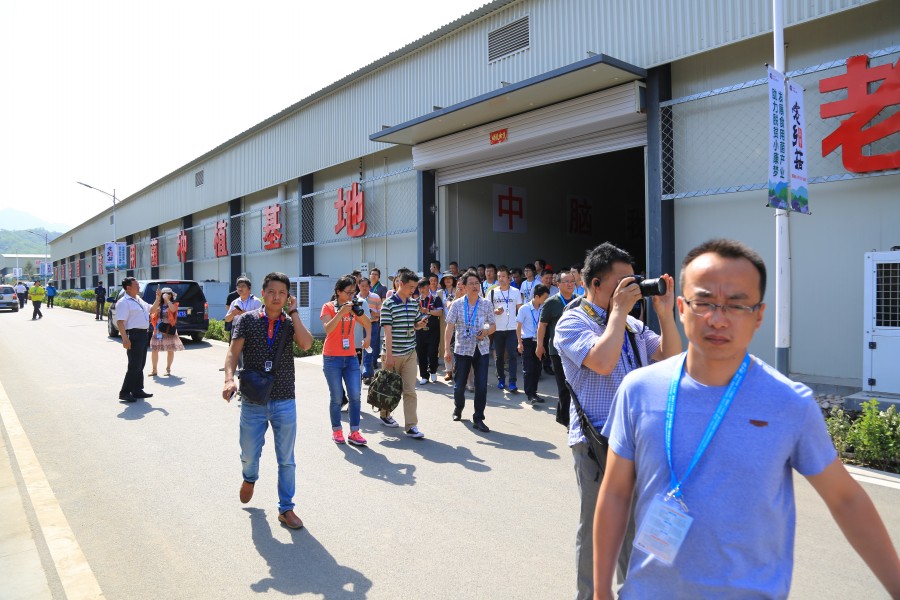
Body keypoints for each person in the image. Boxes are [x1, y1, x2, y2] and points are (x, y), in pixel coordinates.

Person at [593, 239, 900, 599]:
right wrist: (601, 591)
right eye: (704, 302)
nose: (718, 318)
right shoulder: (639, 390)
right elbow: (615, 492)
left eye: (737, 305)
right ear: (682, 307)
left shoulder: (789, 403)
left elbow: (846, 500)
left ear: (759, 315)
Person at [553, 242, 681, 600]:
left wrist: (665, 314)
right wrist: (619, 313)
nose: (633, 289)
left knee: (639, 529)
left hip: (638, 443)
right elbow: (603, 361)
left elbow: (672, 358)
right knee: (598, 530)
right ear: (596, 284)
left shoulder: (632, 324)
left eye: (634, 281)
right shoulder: (572, 322)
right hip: (597, 445)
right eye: (624, 283)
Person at [223, 272, 313, 530]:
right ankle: (249, 478)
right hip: (253, 399)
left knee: (286, 458)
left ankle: (286, 508)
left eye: (282, 293)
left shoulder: (289, 323)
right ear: (262, 294)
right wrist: (228, 379)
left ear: (288, 297)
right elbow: (232, 353)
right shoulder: (247, 320)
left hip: (284, 399)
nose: (276, 297)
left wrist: (294, 313)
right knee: (249, 454)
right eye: (272, 292)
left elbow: (306, 344)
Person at [321, 276, 371, 446]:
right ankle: (337, 430)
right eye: (348, 292)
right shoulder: (328, 307)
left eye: (353, 292)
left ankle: (355, 432)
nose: (351, 295)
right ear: (338, 292)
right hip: (331, 358)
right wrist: (341, 313)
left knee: (355, 396)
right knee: (336, 397)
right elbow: (328, 329)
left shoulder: (353, 307)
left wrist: (367, 336)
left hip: (350, 357)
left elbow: (367, 323)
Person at [444, 270, 496, 432]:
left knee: (481, 386)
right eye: (471, 284)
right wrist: (446, 349)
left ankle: (478, 418)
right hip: (462, 349)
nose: (475, 286)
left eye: (477, 283)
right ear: (464, 287)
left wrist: (485, 331)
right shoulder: (457, 304)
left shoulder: (486, 304)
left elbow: (492, 325)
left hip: (481, 349)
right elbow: (449, 327)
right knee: (459, 385)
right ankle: (458, 408)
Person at [379, 270, 428, 438]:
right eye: (410, 287)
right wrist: (389, 356)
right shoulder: (388, 304)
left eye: (415, 288)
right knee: (389, 390)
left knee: (410, 390)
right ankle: (385, 414)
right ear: (400, 284)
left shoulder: (414, 304)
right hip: (392, 353)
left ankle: (411, 425)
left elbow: (415, 325)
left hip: (410, 352)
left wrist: (420, 324)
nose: (413, 291)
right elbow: (387, 332)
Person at [536, 271, 578, 422]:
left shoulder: (579, 301)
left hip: (576, 349)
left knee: (573, 385)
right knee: (563, 386)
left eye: (572, 281)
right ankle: (567, 420)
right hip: (557, 350)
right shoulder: (551, 302)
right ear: (558, 284)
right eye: (566, 281)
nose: (570, 284)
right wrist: (539, 345)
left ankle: (562, 415)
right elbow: (542, 325)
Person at [115, 278, 159, 402]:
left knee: (141, 364)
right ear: (128, 288)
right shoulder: (124, 302)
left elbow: (152, 310)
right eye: (136, 285)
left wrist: (157, 298)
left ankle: (137, 390)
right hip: (134, 335)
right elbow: (120, 322)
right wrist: (125, 339)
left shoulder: (138, 299)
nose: (139, 287)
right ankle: (124, 392)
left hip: (143, 334)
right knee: (134, 365)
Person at [487, 265, 522, 392]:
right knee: (499, 356)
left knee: (512, 355)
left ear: (509, 278)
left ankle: (512, 382)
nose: (501, 279)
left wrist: (521, 327)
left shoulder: (516, 292)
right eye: (499, 276)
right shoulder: (492, 292)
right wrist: (495, 311)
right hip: (497, 329)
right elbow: (486, 310)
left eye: (503, 276)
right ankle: (501, 379)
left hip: (512, 328)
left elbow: (520, 310)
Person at [517, 283, 550, 404]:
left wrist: (542, 345)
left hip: (539, 341)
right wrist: (519, 343)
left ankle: (534, 393)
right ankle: (529, 394)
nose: (545, 300)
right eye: (544, 298)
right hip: (527, 341)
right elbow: (518, 327)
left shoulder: (544, 309)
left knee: (537, 368)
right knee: (528, 369)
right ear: (536, 296)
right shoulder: (524, 309)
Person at [148, 287, 185, 376]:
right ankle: (154, 370)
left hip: (169, 329)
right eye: (164, 293)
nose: (166, 295)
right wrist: (156, 308)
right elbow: (151, 311)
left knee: (170, 349)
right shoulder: (158, 304)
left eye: (168, 293)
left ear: (171, 295)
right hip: (159, 329)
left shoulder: (173, 304)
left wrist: (167, 300)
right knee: (154, 349)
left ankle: (168, 369)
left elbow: (173, 309)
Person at [415, 278, 443, 384]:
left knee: (432, 352)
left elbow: (440, 312)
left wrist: (427, 311)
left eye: (423, 287)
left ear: (428, 286)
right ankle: (424, 376)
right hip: (420, 330)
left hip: (433, 330)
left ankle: (433, 371)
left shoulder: (435, 298)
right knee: (421, 353)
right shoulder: (416, 301)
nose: (421, 290)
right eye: (419, 288)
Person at [358, 277, 382, 385]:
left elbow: (382, 312)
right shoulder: (355, 298)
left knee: (369, 350)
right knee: (359, 351)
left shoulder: (375, 297)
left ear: (370, 286)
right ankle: (360, 373)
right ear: (358, 286)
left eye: (366, 286)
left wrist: (373, 313)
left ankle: (367, 374)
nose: (364, 288)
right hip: (359, 327)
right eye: (362, 286)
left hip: (373, 325)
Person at [439, 272, 457, 380]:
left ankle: (456, 367)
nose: (448, 280)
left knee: (457, 347)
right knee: (447, 347)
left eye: (450, 278)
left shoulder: (458, 290)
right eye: (446, 279)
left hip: (457, 323)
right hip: (445, 322)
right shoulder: (439, 292)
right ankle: (448, 370)